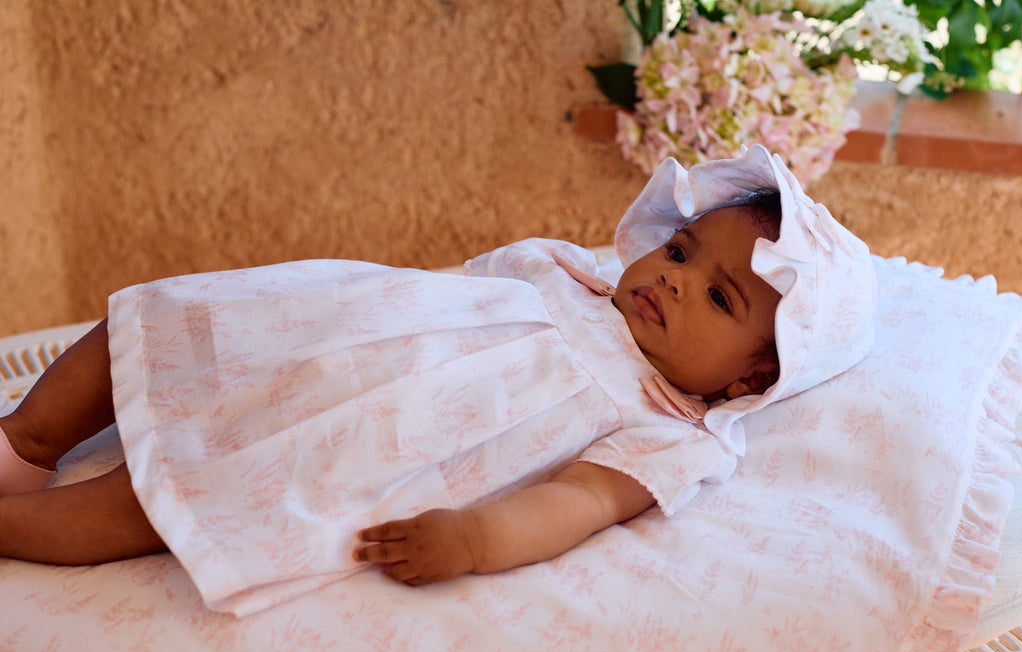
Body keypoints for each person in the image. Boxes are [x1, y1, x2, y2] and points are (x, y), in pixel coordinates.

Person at [0, 145, 878, 615]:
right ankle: (24, 440)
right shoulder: (568, 275)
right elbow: (438, 294)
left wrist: (473, 540)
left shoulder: (665, 429)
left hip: (353, 439)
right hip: (312, 334)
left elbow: (576, 502)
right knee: (148, 333)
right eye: (680, 248)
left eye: (718, 297)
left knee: (157, 501)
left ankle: (13, 521)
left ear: (752, 376)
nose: (675, 275)